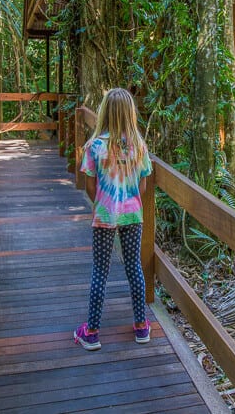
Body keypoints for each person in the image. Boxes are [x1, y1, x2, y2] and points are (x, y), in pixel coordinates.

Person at [74, 88, 153, 351]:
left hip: (105, 213)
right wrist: (129, 202)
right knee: (134, 268)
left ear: (105, 112)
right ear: (130, 114)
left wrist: (103, 203)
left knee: (100, 270)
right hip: (132, 213)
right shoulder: (139, 147)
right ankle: (141, 327)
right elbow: (142, 185)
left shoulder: (94, 146)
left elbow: (89, 185)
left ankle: (92, 332)